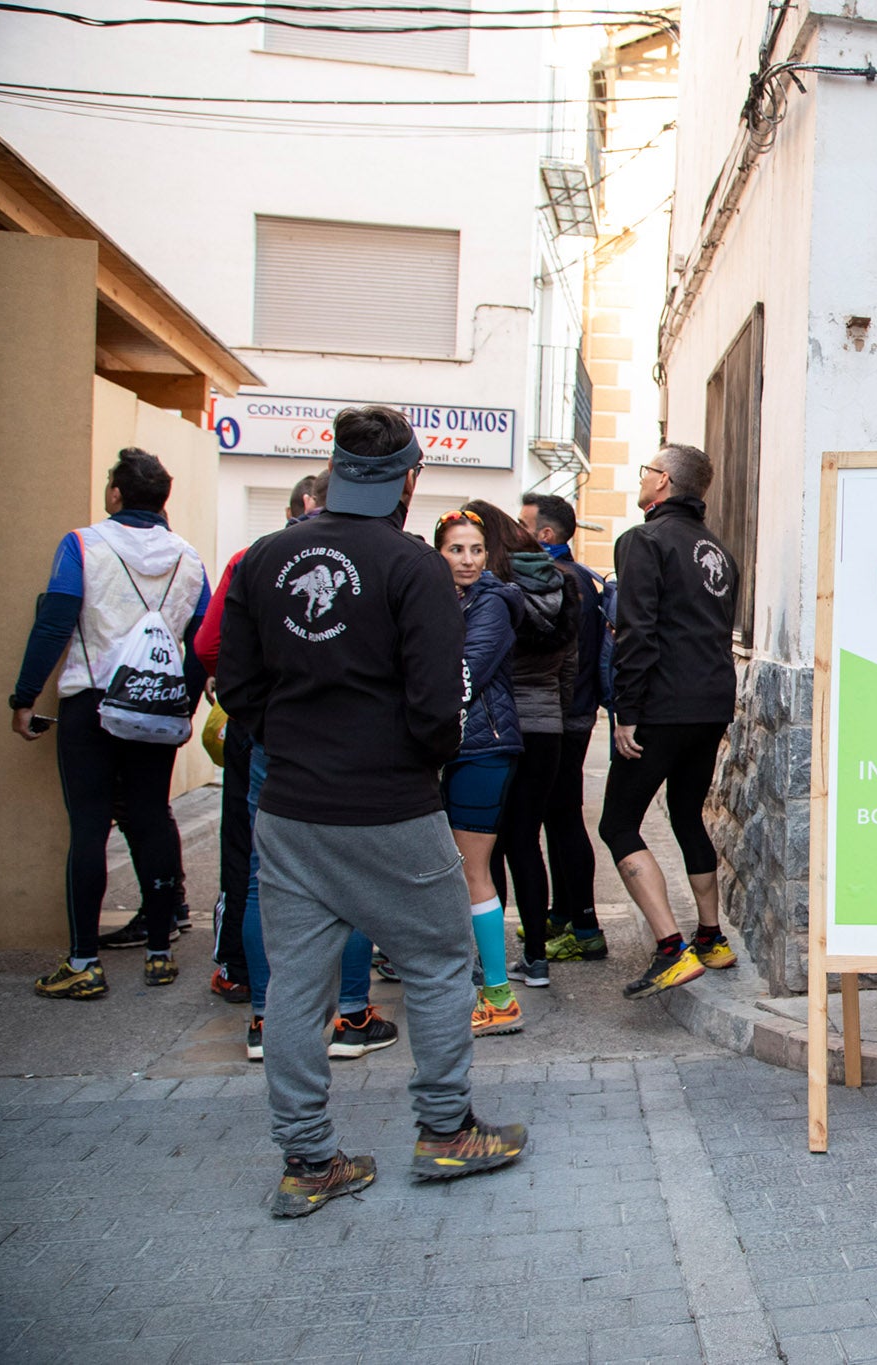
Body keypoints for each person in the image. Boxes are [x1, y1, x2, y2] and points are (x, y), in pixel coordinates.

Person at [217, 404, 526, 1217]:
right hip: (389, 804)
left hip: (289, 806)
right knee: (437, 960)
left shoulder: (261, 559)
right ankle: (445, 1130)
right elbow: (434, 705)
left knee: (295, 985)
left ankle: (309, 1160)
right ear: (410, 478)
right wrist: (414, 756)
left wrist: (295, 738)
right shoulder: (410, 566)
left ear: (335, 466)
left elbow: (238, 688)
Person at [197, 470, 397, 1061]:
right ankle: (350, 1017)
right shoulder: (388, 555)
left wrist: (265, 723)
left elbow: (216, 654)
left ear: (310, 501)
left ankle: (265, 1022)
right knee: (356, 876)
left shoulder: (257, 557)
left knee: (266, 877)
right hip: (356, 746)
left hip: (278, 743)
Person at [13, 448, 209, 998]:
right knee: (151, 816)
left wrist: (25, 696)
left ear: (115, 494)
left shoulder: (83, 544)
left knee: (90, 826)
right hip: (155, 707)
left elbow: (54, 622)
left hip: (92, 702)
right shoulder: (188, 558)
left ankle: (83, 962)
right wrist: (182, 705)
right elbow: (203, 642)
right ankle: (159, 952)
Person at [599, 444, 740, 1000]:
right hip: (709, 704)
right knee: (685, 813)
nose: (642, 481)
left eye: (645, 472)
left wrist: (626, 712)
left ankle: (670, 950)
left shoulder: (645, 540)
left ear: (662, 482)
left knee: (617, 824)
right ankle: (711, 937)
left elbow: (636, 630)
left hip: (661, 705)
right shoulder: (718, 550)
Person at [458, 499, 579, 990]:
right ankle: (536, 957)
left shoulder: (491, 592)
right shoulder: (559, 581)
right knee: (527, 841)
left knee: (488, 848)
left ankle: (494, 955)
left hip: (496, 727)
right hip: (548, 725)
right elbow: (570, 664)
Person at [435, 508, 527, 1037]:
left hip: (483, 749)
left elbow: (465, 674)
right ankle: (471, 985)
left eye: (475, 550)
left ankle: (498, 996)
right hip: (450, 749)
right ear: (439, 553)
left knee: (473, 872)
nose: (468, 560)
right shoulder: (441, 598)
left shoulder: (491, 601)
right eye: (456, 550)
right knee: (450, 874)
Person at [520, 493, 608, 961]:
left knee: (564, 820)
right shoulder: (578, 578)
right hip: (572, 713)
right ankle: (562, 913)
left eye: (524, 524)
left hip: (564, 717)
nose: (518, 532)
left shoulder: (560, 581)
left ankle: (587, 927)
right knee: (559, 817)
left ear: (545, 535)